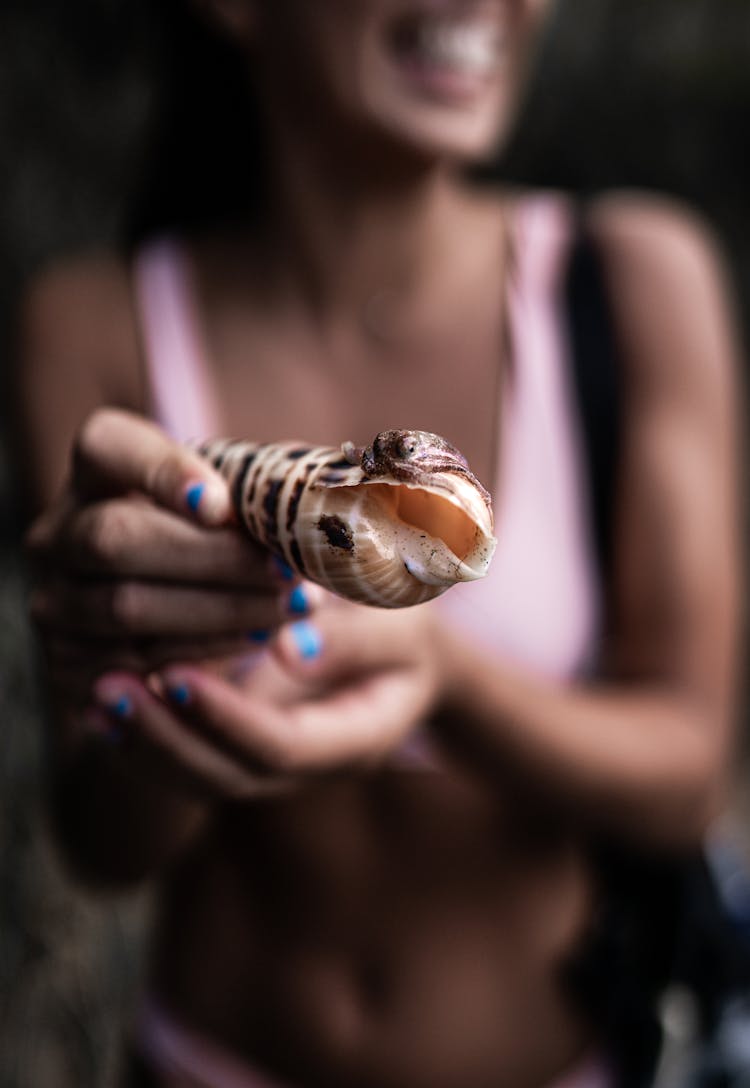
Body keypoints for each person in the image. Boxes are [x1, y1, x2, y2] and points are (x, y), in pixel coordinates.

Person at [13, 1, 744, 1085]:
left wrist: (446, 676)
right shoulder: (89, 325)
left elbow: (690, 774)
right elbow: (105, 842)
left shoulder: (632, 281)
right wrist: (160, 682)